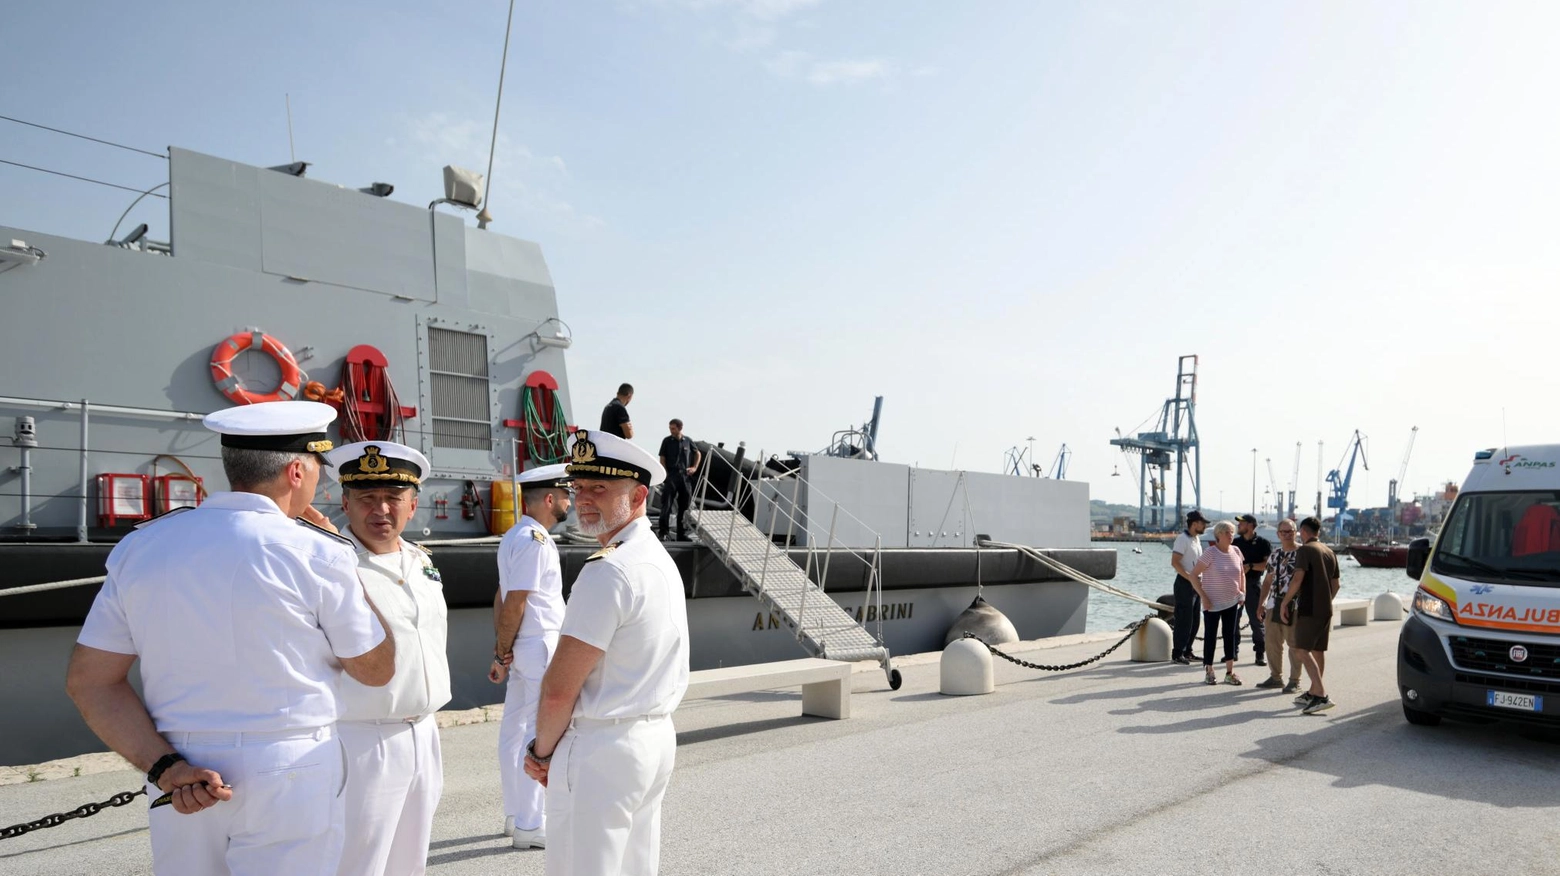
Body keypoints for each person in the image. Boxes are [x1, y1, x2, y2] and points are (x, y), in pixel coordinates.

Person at [65, 401, 396, 876]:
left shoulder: (141, 547)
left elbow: (90, 682)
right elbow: (376, 669)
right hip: (291, 765)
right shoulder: (318, 553)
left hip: (181, 774)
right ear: (297, 471)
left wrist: (165, 769)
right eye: (320, 468)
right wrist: (350, 574)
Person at [524, 430, 689, 876]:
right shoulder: (656, 558)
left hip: (603, 748)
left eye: (600, 488)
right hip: (651, 739)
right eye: (578, 488)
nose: (583, 499)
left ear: (637, 495)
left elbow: (560, 688)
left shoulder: (608, 571)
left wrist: (540, 753)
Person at [324, 441, 451, 876]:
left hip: (423, 732)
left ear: (412, 506)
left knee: (410, 863)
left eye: (393, 499)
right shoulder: (331, 566)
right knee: (357, 862)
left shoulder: (420, 561)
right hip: (361, 739)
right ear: (345, 503)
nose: (381, 510)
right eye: (366, 498)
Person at [491, 463, 572, 850]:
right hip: (538, 644)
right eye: (566, 495)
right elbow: (517, 601)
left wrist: (502, 650)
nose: (570, 501)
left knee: (513, 732)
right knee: (536, 734)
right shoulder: (535, 540)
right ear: (550, 499)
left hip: (525, 645)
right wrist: (503, 649)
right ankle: (529, 824)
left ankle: (514, 815)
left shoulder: (513, 536)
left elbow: (502, 596)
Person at [1280, 516, 1341, 714]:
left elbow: (1298, 579)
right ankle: (1314, 691)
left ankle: (1321, 695)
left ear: (1303, 532)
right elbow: (1336, 584)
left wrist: (1285, 602)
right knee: (1317, 650)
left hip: (1309, 608)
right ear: (1318, 531)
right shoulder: (1329, 551)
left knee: (1299, 649)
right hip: (1325, 609)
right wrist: (1325, 600)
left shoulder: (1305, 550)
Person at [1190, 520, 1246, 686]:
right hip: (1211, 603)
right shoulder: (1210, 552)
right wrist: (1203, 597)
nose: (1231, 535)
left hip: (1232, 601)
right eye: (1228, 532)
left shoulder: (1236, 550)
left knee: (1230, 635)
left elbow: (1242, 573)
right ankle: (1209, 670)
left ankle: (1229, 672)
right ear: (1219, 535)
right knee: (1210, 636)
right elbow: (1193, 575)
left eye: (1232, 532)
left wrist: (1242, 593)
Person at [1255, 519, 1303, 692]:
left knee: (1294, 643)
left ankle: (1295, 680)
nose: (1287, 534)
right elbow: (1267, 581)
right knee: (1272, 643)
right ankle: (1276, 677)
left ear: (1296, 532)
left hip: (1295, 605)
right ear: (1278, 534)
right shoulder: (1275, 554)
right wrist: (1261, 603)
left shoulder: (1302, 553)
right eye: (1283, 532)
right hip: (1274, 604)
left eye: (1290, 531)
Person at [1232, 513, 1272, 667]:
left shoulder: (1263, 543)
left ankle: (1260, 654)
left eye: (1241, 523)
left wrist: (1249, 566)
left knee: (1257, 620)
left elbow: (1268, 566)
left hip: (1253, 584)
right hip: (1236, 585)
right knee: (1233, 620)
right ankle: (1232, 652)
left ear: (1250, 525)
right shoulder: (1235, 543)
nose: (1238, 526)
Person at [1169, 510, 1208, 664]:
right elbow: (1175, 562)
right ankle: (1178, 652)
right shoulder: (1182, 539)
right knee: (1183, 619)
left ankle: (1188, 650)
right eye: (1202, 523)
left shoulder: (1196, 539)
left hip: (1195, 583)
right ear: (1194, 523)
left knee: (1195, 620)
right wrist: (1190, 578)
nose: (1205, 526)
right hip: (1185, 583)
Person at [656, 419, 702, 542]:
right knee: (667, 504)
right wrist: (665, 473)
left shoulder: (687, 441)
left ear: (680, 428)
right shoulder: (667, 441)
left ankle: (681, 534)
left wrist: (694, 467)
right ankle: (663, 532)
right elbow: (662, 458)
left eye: (673, 428)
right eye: (670, 428)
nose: (671, 431)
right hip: (671, 475)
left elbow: (697, 453)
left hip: (685, 477)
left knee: (684, 507)